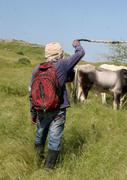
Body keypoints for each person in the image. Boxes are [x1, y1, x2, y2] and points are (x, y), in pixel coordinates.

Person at [29, 40, 85, 169]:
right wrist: (76, 44)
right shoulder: (63, 64)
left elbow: (31, 93)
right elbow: (81, 53)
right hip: (58, 109)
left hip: (40, 109)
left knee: (40, 133)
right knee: (55, 137)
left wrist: (33, 113)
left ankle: (36, 161)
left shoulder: (37, 69)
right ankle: (48, 169)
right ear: (60, 53)